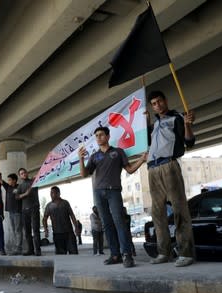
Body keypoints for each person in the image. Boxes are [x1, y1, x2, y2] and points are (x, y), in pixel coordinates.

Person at [79, 127, 147, 268]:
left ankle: (127, 255)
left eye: (101, 135)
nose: (98, 137)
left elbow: (129, 169)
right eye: (96, 135)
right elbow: (84, 174)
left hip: (114, 192)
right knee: (107, 224)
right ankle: (115, 255)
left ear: (108, 136)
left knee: (119, 222)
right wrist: (81, 159)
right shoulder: (94, 156)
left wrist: (142, 159)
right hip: (98, 193)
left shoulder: (118, 152)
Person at [146, 90, 196, 267]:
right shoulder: (153, 125)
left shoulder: (177, 118)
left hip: (169, 165)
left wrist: (188, 125)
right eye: (153, 103)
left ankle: (186, 253)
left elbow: (189, 142)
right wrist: (144, 122)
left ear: (165, 101)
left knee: (179, 208)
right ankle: (163, 252)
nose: (157, 105)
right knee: (157, 213)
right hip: (152, 168)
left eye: (159, 101)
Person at [43, 186, 78, 255]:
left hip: (69, 233)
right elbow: (44, 219)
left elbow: (72, 215)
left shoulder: (65, 203)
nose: (51, 194)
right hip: (57, 234)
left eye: (53, 193)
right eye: (51, 193)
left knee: (74, 254)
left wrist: (76, 227)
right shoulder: (49, 206)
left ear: (58, 193)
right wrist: (46, 230)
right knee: (61, 256)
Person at [17, 168, 41, 256]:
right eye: (21, 173)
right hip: (24, 211)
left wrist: (36, 177)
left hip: (34, 209)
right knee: (27, 232)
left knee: (35, 230)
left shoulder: (34, 181)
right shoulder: (20, 186)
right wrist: (25, 194)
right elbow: (16, 196)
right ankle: (30, 250)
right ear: (20, 176)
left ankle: (37, 250)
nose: (23, 174)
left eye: (24, 172)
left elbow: (41, 173)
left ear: (27, 173)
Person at [1, 173, 23, 255]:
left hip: (17, 212)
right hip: (11, 212)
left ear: (14, 180)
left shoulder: (19, 187)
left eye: (9, 180)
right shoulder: (8, 187)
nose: (8, 181)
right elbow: (0, 180)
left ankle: (18, 248)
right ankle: (16, 248)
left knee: (18, 230)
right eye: (8, 180)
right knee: (14, 230)